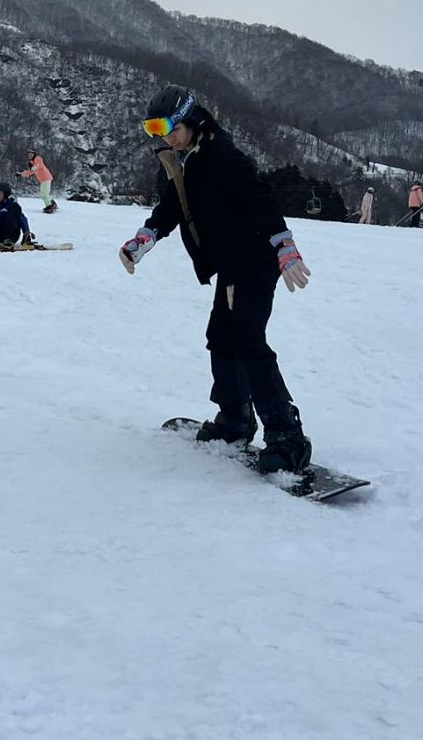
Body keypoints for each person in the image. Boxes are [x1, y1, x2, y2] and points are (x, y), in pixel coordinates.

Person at [119, 85, 314, 474]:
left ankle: (287, 435)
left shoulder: (221, 155)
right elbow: (172, 206)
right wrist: (145, 238)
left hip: (254, 260)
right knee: (221, 338)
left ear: (191, 120)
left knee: (248, 340)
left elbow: (260, 197)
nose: (164, 137)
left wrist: (284, 244)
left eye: (169, 128)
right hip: (231, 263)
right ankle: (235, 419)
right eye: (153, 130)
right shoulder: (185, 159)